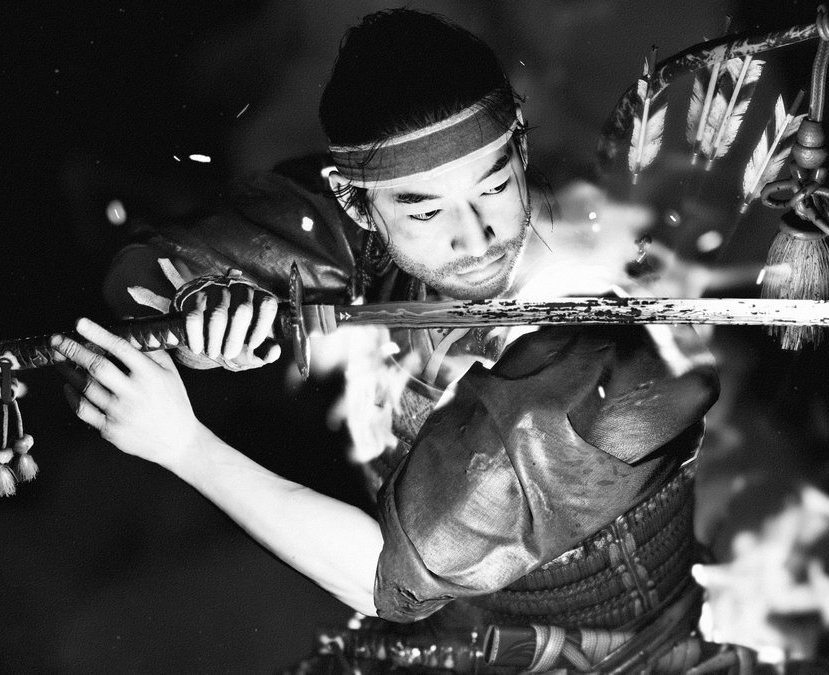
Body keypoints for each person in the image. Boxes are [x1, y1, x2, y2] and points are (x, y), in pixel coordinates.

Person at [51, 9, 733, 673]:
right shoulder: (362, 228)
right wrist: (198, 305)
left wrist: (183, 446)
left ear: (520, 147)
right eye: (427, 211)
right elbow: (151, 265)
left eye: (495, 185)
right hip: (453, 646)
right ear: (356, 203)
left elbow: (381, 580)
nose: (475, 236)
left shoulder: (609, 361)